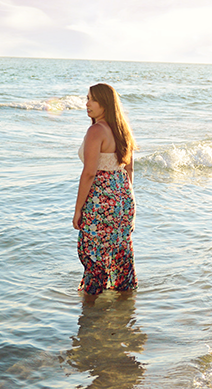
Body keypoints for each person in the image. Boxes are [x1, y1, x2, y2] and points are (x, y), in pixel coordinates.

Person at [73, 83, 138, 297]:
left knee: (91, 253)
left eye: (92, 99)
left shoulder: (96, 131)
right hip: (123, 199)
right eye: (87, 98)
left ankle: (91, 314)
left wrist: (78, 210)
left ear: (105, 103)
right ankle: (124, 309)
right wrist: (125, 203)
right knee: (119, 254)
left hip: (101, 201)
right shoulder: (123, 130)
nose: (87, 104)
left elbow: (89, 173)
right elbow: (129, 170)